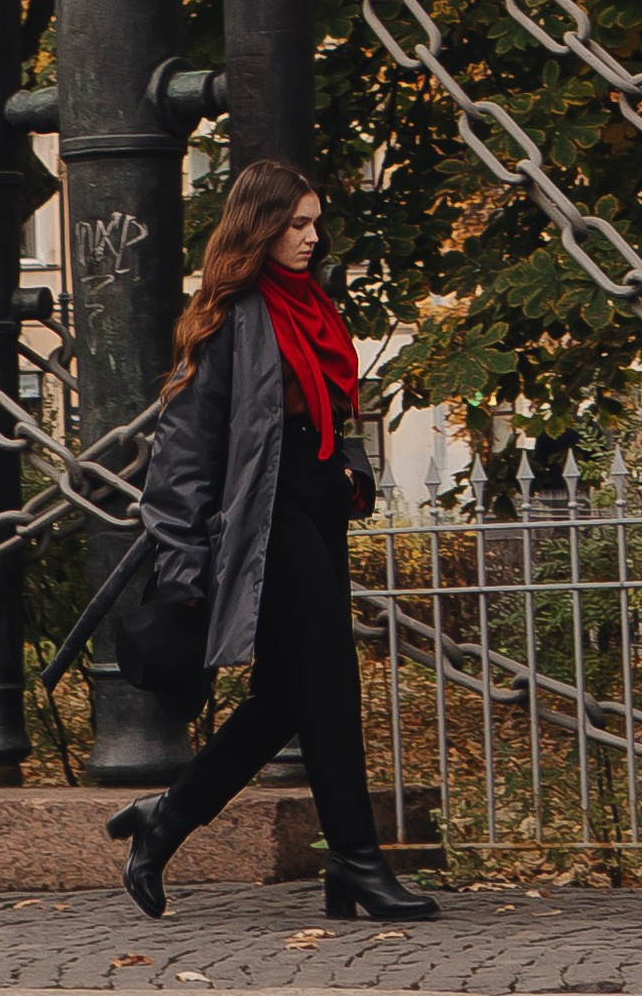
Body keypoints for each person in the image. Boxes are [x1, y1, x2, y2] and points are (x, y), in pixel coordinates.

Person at [107, 158, 439, 925]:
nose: (310, 237)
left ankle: (166, 819)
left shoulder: (313, 306)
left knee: (285, 699)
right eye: (295, 224)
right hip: (267, 512)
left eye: (314, 223)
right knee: (329, 681)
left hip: (316, 500)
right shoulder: (233, 317)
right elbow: (184, 451)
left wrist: (347, 470)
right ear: (258, 226)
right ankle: (356, 861)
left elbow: (328, 408)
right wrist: (185, 564)